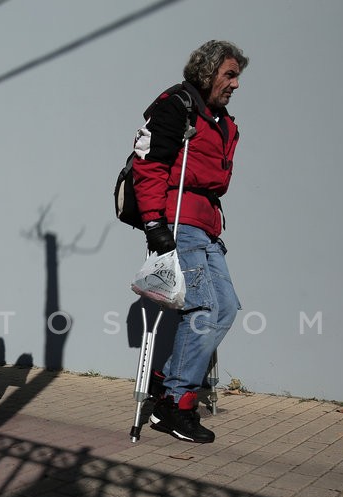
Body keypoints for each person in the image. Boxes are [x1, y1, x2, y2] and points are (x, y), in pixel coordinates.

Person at [132, 40, 249, 444]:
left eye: (237, 77)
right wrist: (153, 224)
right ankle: (175, 404)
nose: (235, 84)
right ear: (208, 70)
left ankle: (167, 379)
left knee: (226, 308)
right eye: (229, 75)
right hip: (178, 220)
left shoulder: (219, 119)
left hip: (205, 224)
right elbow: (147, 165)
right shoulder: (177, 105)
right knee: (203, 308)